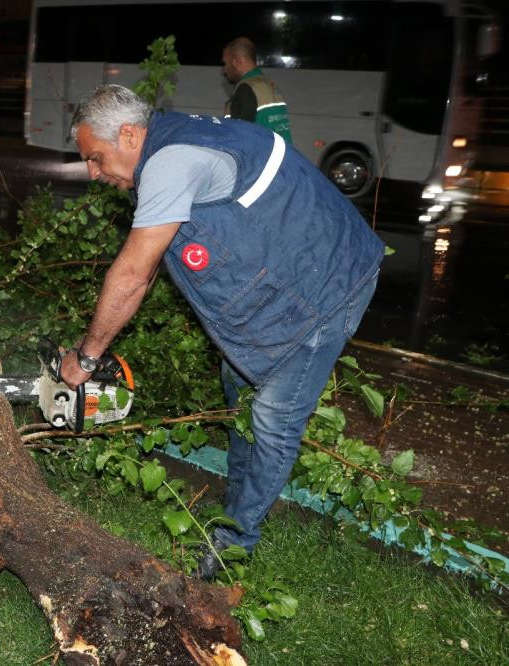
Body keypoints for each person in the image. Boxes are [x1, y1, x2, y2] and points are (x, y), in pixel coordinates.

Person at [60, 84, 383, 579]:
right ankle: (236, 500)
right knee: (238, 388)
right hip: (290, 272)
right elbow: (161, 254)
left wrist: (87, 358)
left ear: (128, 135)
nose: (93, 172)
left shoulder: (171, 162)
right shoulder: (171, 142)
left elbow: (133, 275)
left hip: (329, 285)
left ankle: (233, 546)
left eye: (96, 158)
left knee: (273, 420)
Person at [221, 37, 292, 142]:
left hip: (263, 153)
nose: (224, 70)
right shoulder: (267, 86)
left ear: (237, 62)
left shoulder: (246, 89)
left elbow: (239, 140)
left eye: (225, 63)